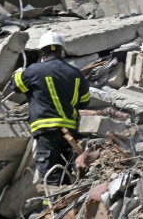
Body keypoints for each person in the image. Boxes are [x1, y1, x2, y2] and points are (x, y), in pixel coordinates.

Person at [12, 30, 90, 187]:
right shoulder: (76, 73)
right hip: (70, 131)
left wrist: (18, 72)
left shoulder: (34, 70)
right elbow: (84, 102)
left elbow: (17, 86)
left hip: (46, 130)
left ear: (42, 51)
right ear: (61, 51)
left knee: (49, 175)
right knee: (65, 170)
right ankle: (66, 207)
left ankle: (51, 208)